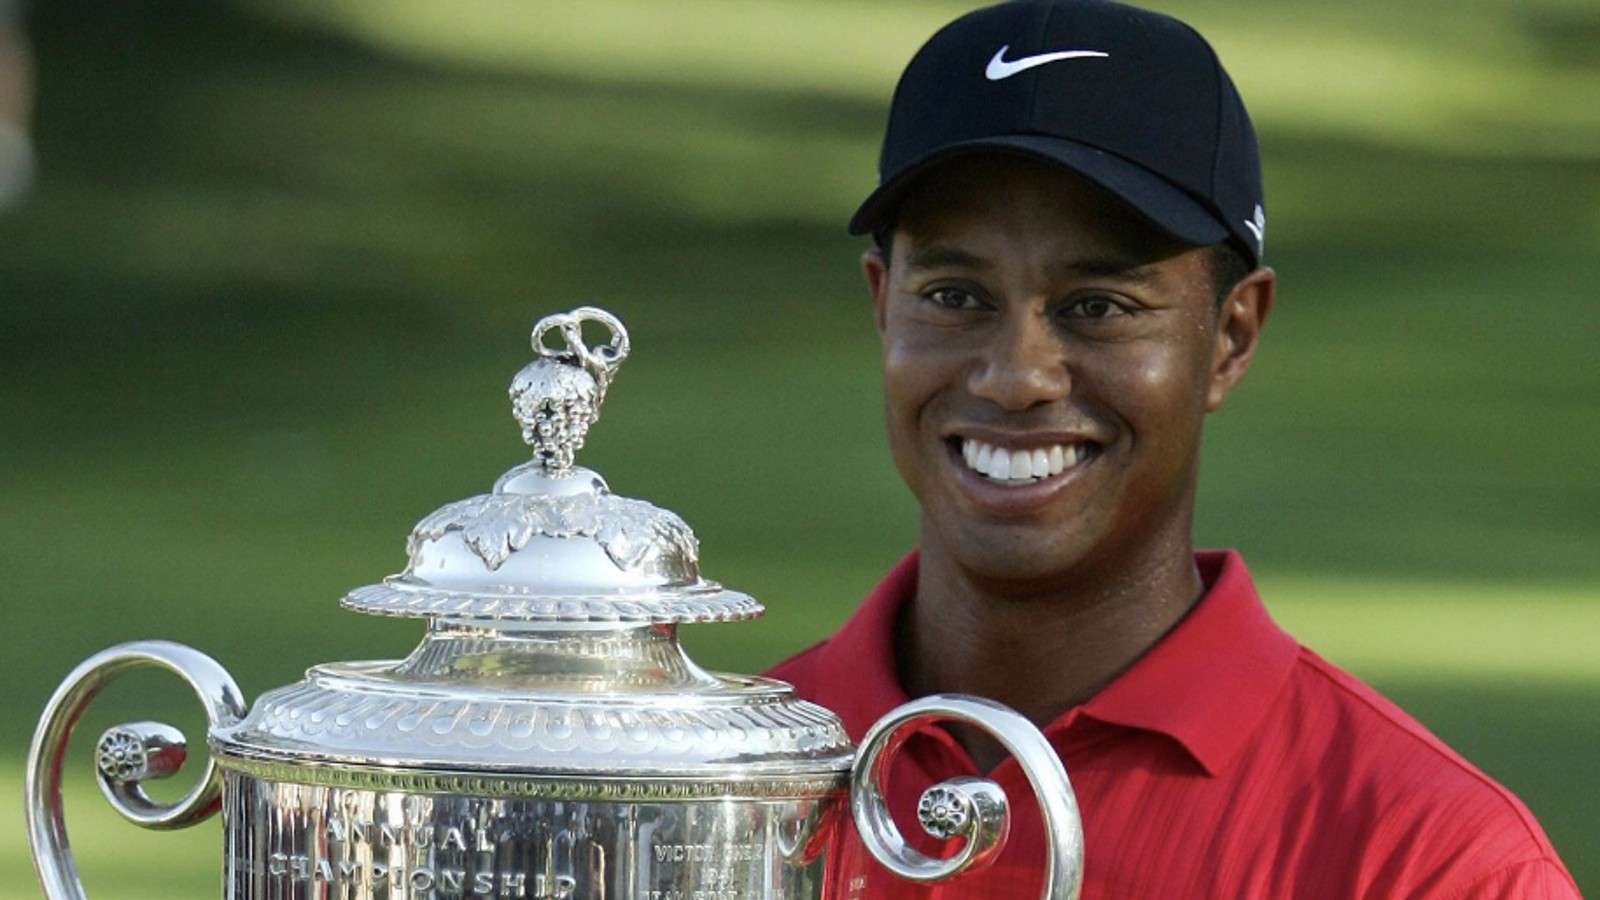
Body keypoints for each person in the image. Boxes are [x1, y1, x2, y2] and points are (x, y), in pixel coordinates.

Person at [764, 1, 1579, 896]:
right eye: (957, 296)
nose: (1014, 377)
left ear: (1230, 336)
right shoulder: (706, 778)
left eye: (1098, 306)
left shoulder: (1429, 858)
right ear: (884, 305)